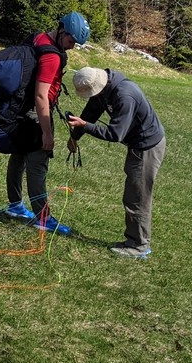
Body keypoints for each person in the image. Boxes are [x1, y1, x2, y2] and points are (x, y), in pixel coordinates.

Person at [3, 11, 91, 234]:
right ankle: (43, 217)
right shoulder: (52, 56)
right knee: (37, 165)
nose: (72, 46)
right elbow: (41, 95)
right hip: (36, 114)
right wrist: (47, 134)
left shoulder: (38, 38)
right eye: (71, 41)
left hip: (20, 110)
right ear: (62, 31)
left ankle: (15, 205)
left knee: (19, 156)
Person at [66, 67, 166, 259]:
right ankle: (135, 241)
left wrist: (84, 126)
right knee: (133, 195)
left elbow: (115, 134)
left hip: (147, 147)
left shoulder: (125, 96)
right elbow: (91, 112)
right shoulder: (105, 88)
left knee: (137, 197)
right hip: (137, 145)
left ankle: (138, 246)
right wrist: (75, 136)